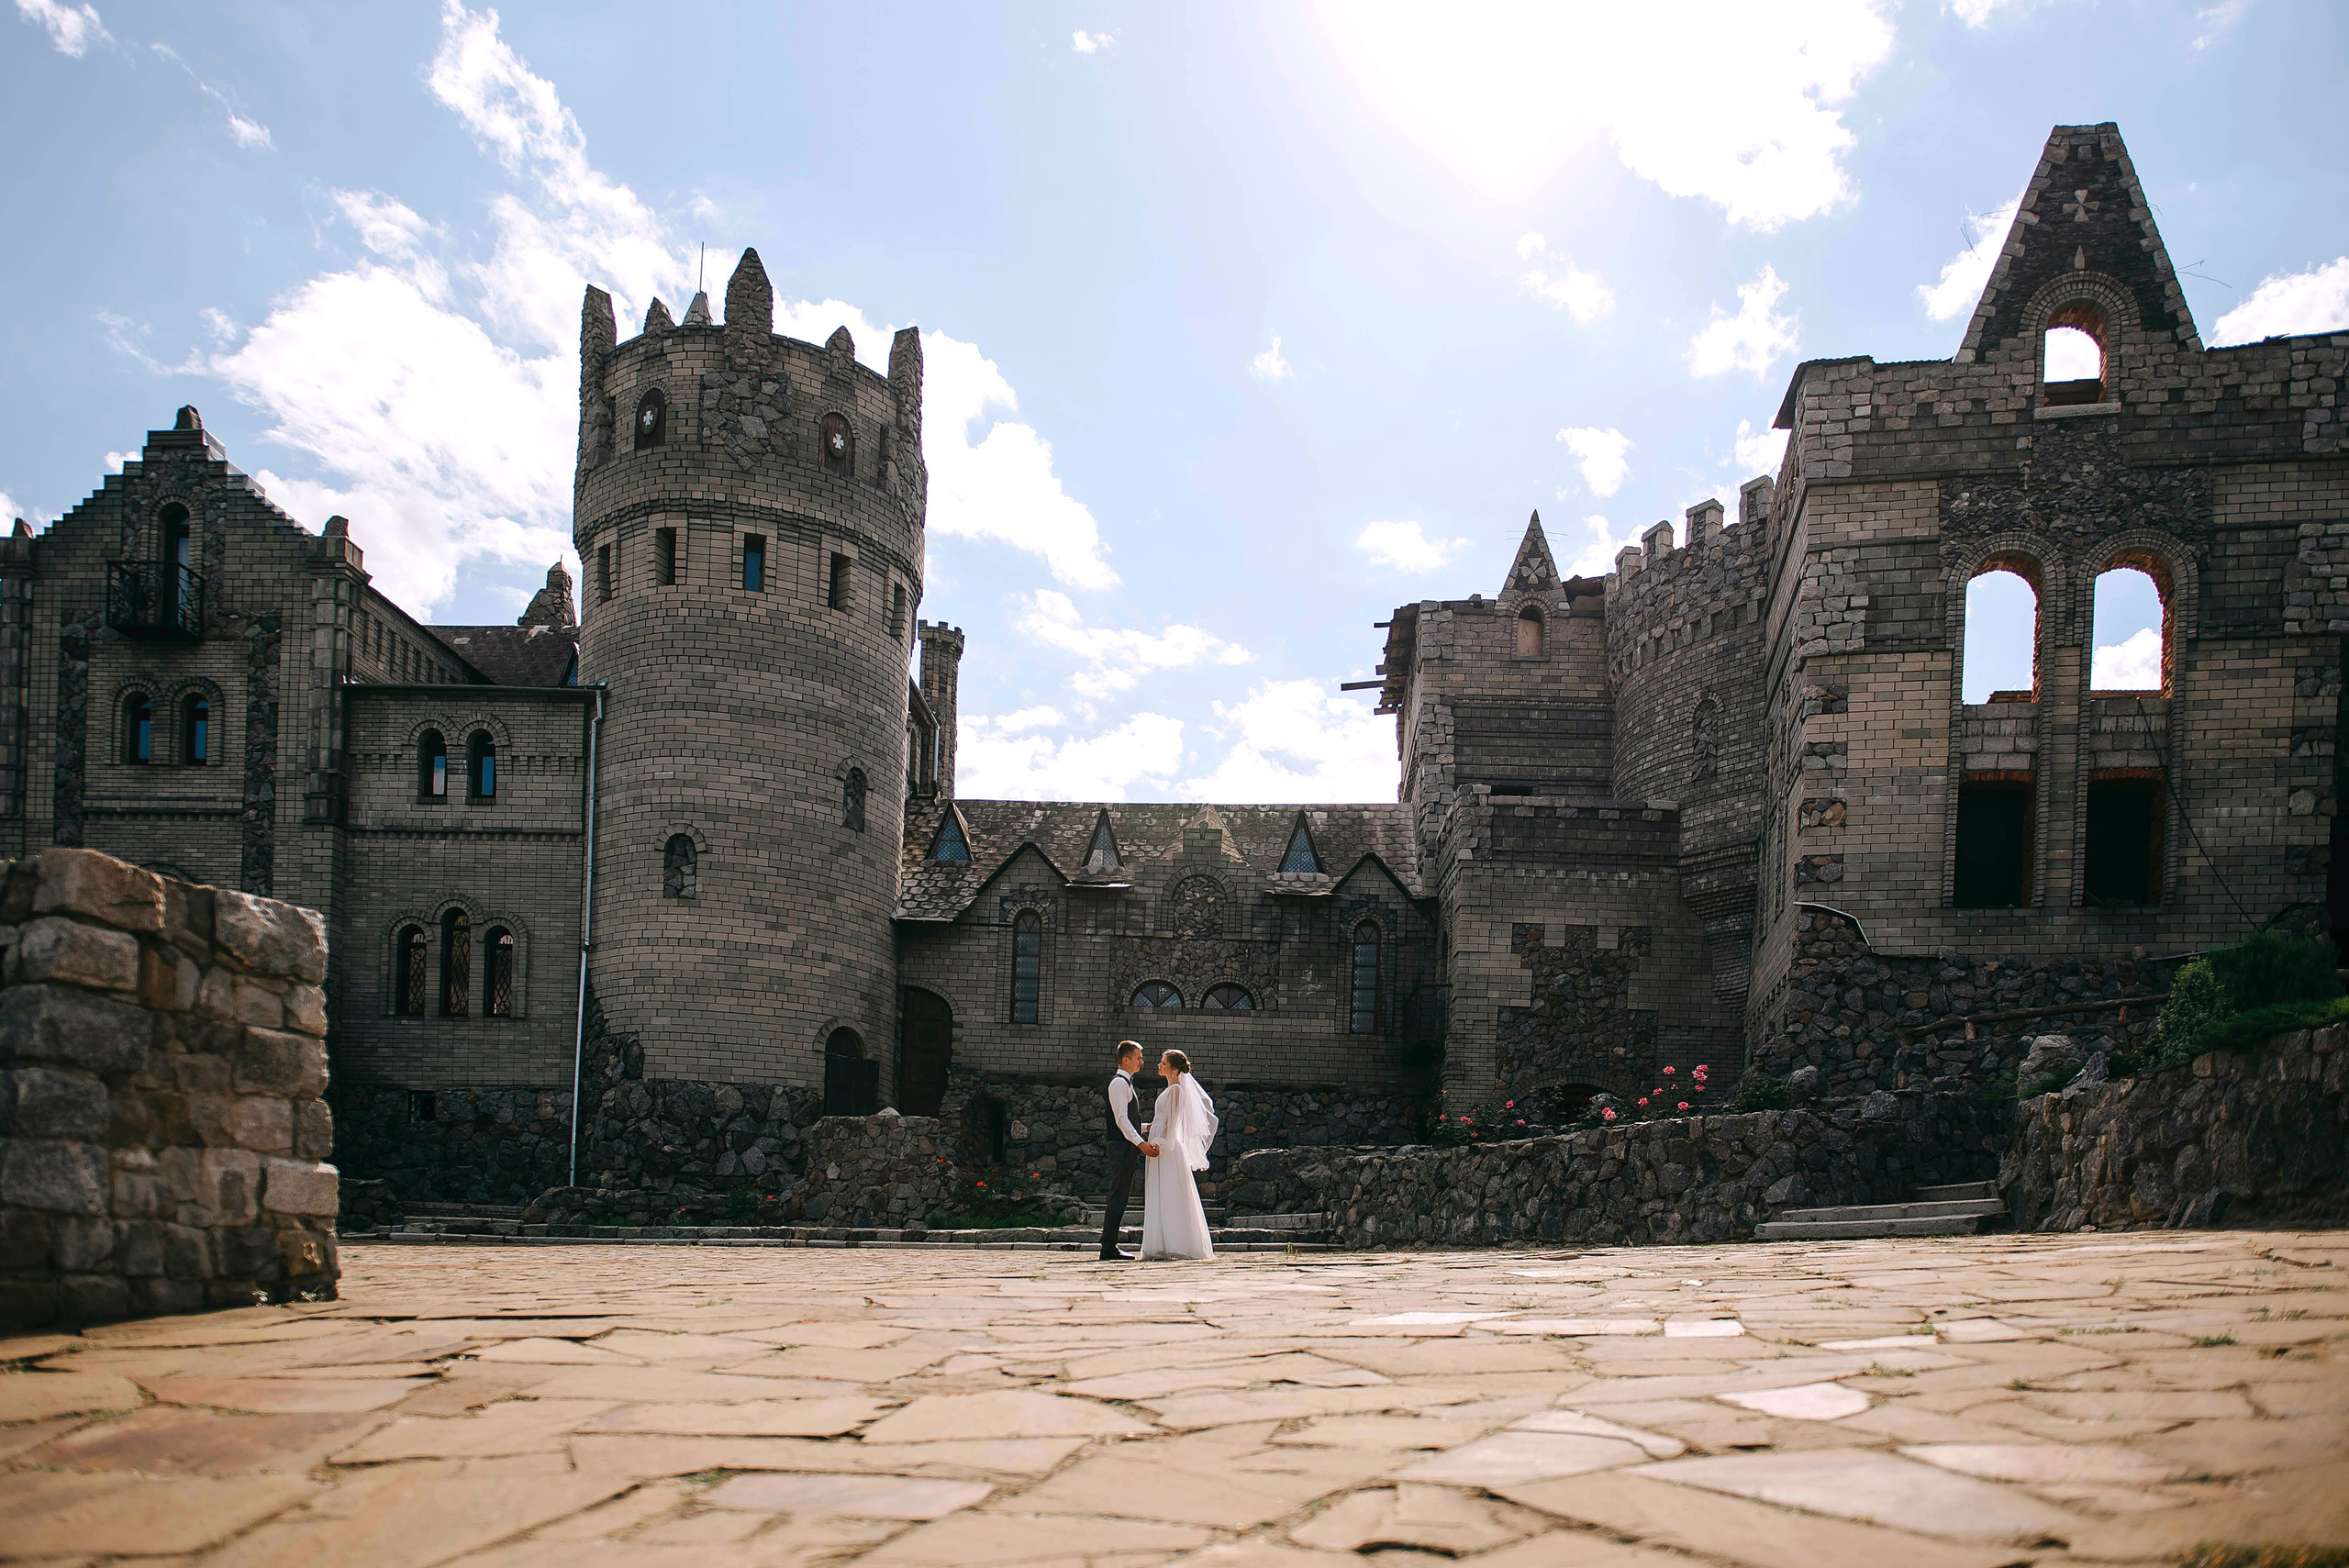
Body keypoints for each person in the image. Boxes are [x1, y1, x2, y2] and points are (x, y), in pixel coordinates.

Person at [1140, 1049, 1217, 1262]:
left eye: (1163, 1063)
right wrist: (1144, 1128)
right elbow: (1161, 1120)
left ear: (1174, 1069)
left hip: (1167, 1147)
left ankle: (1175, 1243)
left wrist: (1158, 1142)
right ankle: (1162, 1242)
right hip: (1160, 1141)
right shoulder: (1171, 1090)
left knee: (1169, 1192)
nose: (1159, 1065)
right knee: (1161, 1191)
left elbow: (1171, 1125)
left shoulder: (1175, 1091)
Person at [1099, 1041, 1149, 1261]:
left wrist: (1150, 1128)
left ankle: (1110, 1245)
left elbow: (1130, 1121)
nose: (1142, 1061)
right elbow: (1121, 1120)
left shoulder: (1126, 1084)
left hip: (1126, 1145)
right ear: (1126, 1059)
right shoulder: (1119, 1084)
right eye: (1138, 1057)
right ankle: (1108, 1247)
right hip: (1121, 1147)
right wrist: (1141, 1143)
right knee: (1118, 1195)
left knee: (1121, 1195)